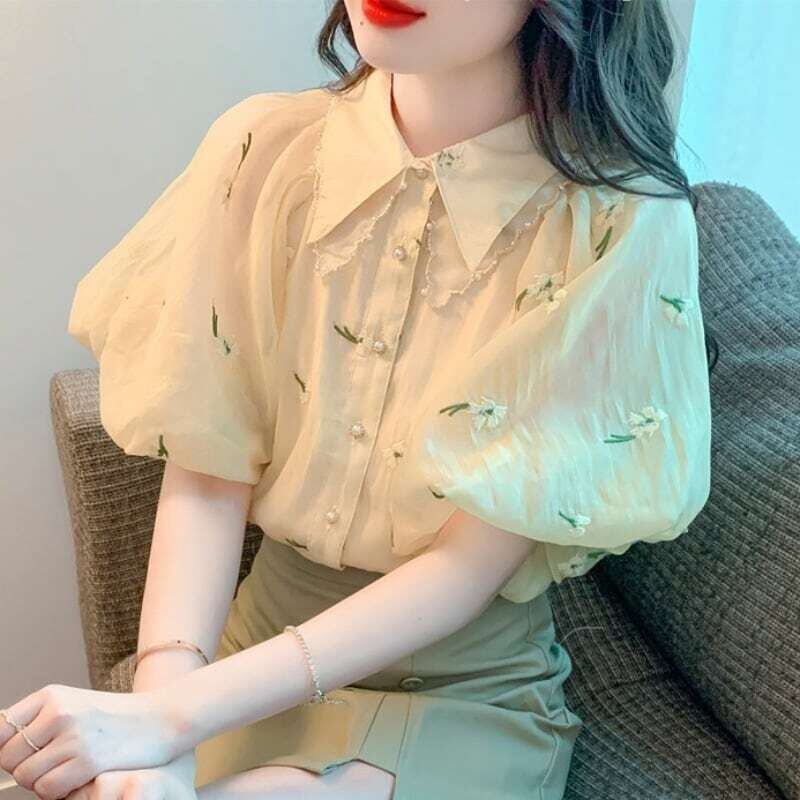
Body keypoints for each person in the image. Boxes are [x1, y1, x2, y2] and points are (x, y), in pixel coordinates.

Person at [0, 1, 714, 798]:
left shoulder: (617, 223)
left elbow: (464, 568)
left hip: (459, 699)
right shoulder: (264, 152)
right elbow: (206, 472)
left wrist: (170, 721)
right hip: (238, 671)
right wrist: (159, 732)